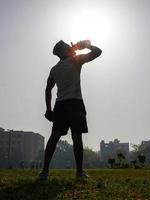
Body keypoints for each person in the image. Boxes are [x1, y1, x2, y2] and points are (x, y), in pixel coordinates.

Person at [38, 40, 102, 181]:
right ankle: (79, 173)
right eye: (68, 46)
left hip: (60, 105)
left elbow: (48, 89)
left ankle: (44, 172)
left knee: (54, 136)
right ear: (64, 51)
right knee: (77, 136)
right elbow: (98, 52)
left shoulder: (54, 69)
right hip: (74, 103)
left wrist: (48, 109)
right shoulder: (75, 61)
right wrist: (85, 46)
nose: (70, 46)